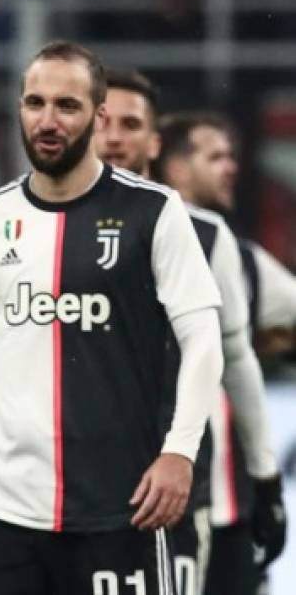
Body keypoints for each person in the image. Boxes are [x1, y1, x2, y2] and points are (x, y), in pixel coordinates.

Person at [0, 41, 224, 594]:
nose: (48, 120)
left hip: (119, 509)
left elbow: (202, 337)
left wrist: (178, 450)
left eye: (67, 106)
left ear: (97, 118)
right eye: (35, 103)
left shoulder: (152, 212)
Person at [95, 70, 284, 595]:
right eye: (104, 121)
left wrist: (264, 477)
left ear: (154, 142)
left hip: (191, 492)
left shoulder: (210, 239)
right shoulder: (35, 227)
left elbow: (238, 356)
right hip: (72, 492)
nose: (114, 138)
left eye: (130, 124)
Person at [154, 112, 288, 595]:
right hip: (147, 501)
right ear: (175, 167)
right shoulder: (120, 247)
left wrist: (267, 343)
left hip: (230, 504)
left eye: (232, 155)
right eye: (215, 156)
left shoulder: (240, 258)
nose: (231, 167)